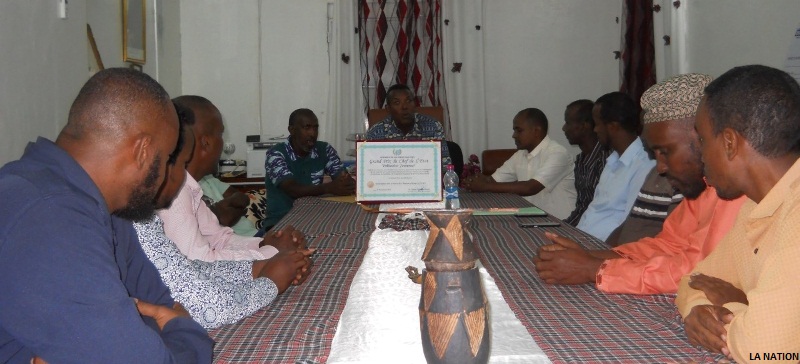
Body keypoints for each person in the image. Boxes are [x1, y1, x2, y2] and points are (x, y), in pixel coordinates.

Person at [0, 68, 213, 363]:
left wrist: (164, 331)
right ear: (143, 151)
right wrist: (189, 333)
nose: (166, 176)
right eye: (165, 159)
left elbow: (159, 306)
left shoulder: (105, 208)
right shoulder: (50, 217)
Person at [534, 73, 745, 295]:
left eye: (665, 151)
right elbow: (668, 246)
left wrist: (595, 269)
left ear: (703, 137)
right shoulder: (702, 188)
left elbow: (695, 270)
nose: (661, 167)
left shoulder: (737, 190)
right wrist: (591, 256)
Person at [135, 103, 313, 329]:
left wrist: (267, 252)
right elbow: (200, 296)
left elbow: (206, 254)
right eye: (177, 162)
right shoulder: (148, 212)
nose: (182, 176)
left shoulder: (156, 204)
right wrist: (270, 276)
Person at [676, 65, 800, 361]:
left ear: (729, 143)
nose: (702, 157)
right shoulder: (757, 205)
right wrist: (696, 309)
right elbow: (693, 280)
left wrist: (735, 305)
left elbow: (766, 352)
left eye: (703, 141)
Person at [159, 95, 285, 262]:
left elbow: (220, 239)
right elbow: (199, 261)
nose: (222, 143)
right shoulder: (175, 195)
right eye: (220, 134)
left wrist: (265, 245)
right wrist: (270, 255)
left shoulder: (190, 187)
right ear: (206, 143)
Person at [463, 108, 576, 219]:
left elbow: (530, 188)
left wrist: (484, 186)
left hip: (563, 224)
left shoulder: (558, 153)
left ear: (536, 131)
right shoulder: (520, 154)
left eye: (519, 130)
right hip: (534, 220)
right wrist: (475, 180)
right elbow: (494, 180)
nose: (514, 135)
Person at [575, 92, 655, 241]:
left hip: (604, 248)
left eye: (597, 124)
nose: (595, 130)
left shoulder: (644, 164)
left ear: (612, 126)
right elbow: (597, 210)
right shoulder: (613, 160)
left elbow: (632, 225)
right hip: (584, 240)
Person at [263, 108, 355, 228]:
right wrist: (328, 188)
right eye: (307, 128)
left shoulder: (324, 149)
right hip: (281, 222)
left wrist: (346, 181)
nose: (312, 133)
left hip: (315, 217)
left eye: (315, 128)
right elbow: (292, 189)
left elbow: (344, 180)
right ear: (292, 130)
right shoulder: (276, 154)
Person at [365, 84, 451, 168]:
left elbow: (445, 166)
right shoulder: (376, 133)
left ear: (414, 104)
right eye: (397, 103)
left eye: (408, 101)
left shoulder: (433, 127)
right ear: (388, 109)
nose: (404, 107)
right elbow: (370, 169)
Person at [604, 166, 683, 246]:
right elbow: (628, 223)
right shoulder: (654, 172)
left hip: (640, 255)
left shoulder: (681, 183)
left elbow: (668, 245)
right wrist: (604, 248)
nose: (659, 167)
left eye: (664, 153)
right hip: (625, 252)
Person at [561, 99, 609, 226]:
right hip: (583, 226)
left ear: (585, 125)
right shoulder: (581, 160)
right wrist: (562, 228)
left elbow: (602, 209)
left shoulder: (605, 159)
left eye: (568, 123)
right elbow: (582, 207)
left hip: (598, 231)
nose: (564, 128)